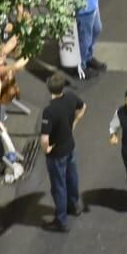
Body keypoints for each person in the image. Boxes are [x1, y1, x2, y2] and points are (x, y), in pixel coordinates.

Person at [39, 71, 86, 232]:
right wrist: (74, 122)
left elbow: (45, 139)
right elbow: (83, 107)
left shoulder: (49, 111)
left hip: (57, 153)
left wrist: (47, 149)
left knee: (58, 185)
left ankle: (61, 220)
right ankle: (74, 205)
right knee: (72, 178)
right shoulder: (71, 97)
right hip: (69, 146)